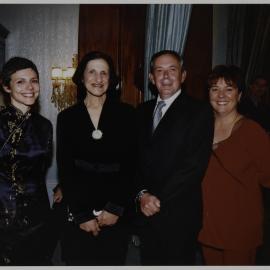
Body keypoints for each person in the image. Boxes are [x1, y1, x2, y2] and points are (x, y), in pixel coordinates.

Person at [134, 50, 214, 265]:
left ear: (183, 75)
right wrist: (142, 195)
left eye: (172, 70)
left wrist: (155, 199)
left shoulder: (200, 112)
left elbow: (194, 167)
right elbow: (133, 160)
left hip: (179, 215)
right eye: (159, 71)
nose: (166, 76)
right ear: (151, 78)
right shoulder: (141, 111)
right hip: (145, 213)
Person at [56, 51, 136, 265]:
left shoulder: (128, 114)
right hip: (78, 206)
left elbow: (132, 166)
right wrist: (81, 215)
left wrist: (115, 208)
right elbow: (65, 169)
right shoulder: (66, 117)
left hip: (115, 209)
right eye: (92, 72)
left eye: (104, 73)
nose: (98, 79)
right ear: (82, 77)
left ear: (111, 80)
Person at [198, 65, 270, 265]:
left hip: (240, 227)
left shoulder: (252, 131)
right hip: (208, 225)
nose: (221, 95)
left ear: (239, 95)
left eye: (229, 89)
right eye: (215, 89)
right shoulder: (200, 128)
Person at [0, 57, 53, 265]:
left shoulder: (45, 126)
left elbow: (41, 170)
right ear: (6, 86)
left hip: (38, 213)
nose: (30, 87)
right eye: (20, 81)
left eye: (34, 80)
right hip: (4, 215)